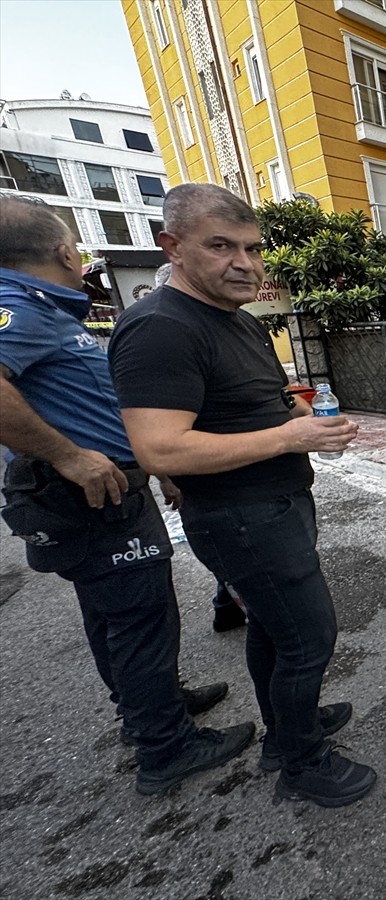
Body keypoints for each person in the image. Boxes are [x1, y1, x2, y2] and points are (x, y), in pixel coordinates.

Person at [108, 183, 374, 808]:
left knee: (274, 630)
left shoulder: (237, 320)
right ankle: (302, 763)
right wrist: (290, 436)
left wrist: (302, 415)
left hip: (277, 504)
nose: (245, 263)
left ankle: (284, 731)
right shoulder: (159, 327)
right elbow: (161, 450)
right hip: (240, 518)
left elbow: (263, 400)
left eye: (253, 248)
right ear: (172, 247)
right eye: (221, 246)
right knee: (309, 639)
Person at [0, 196, 252, 795]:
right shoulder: (19, 308)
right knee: (141, 619)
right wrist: (68, 455)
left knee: (112, 614)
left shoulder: (43, 309)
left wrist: (154, 467)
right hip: (88, 493)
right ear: (64, 251)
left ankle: (149, 709)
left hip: (100, 490)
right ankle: (166, 747)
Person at [153, 262, 247, 633]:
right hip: (211, 481)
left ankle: (228, 606)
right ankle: (234, 604)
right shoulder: (162, 336)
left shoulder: (227, 328)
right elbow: (158, 438)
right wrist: (166, 478)